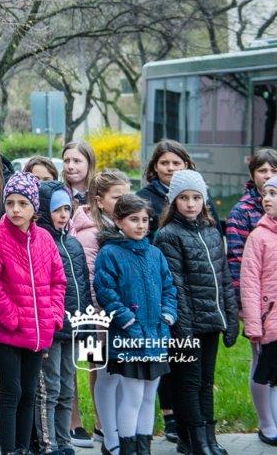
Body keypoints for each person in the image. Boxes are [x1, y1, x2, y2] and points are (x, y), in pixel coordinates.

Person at [0, 171, 66, 455]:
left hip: (38, 329)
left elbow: (58, 281)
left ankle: (24, 447)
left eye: (23, 204)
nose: (16, 209)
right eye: (11, 203)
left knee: (29, 393)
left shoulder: (43, 239)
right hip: (8, 330)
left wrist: (52, 316)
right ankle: (10, 449)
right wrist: (12, 318)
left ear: (34, 208)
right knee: (12, 391)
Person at [153, 169, 239, 455]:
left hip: (211, 321)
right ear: (173, 201)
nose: (191, 204)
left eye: (196, 197)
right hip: (186, 325)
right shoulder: (168, 236)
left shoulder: (212, 232)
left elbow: (224, 278)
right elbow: (176, 286)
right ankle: (195, 440)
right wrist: (184, 329)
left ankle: (208, 438)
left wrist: (229, 318)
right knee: (188, 382)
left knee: (206, 381)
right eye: (184, 198)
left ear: (204, 199)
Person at [92, 195, 177, 455]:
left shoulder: (155, 253)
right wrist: (127, 319)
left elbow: (169, 287)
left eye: (145, 220)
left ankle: (144, 448)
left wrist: (167, 316)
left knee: (150, 397)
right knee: (132, 396)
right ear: (118, 221)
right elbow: (105, 290)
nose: (141, 226)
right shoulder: (110, 253)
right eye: (133, 220)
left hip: (156, 337)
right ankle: (126, 447)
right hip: (128, 338)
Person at [72, 169, 132, 455]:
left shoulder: (121, 227)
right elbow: (90, 281)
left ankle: (112, 428)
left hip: (118, 318)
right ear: (99, 200)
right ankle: (108, 431)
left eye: (126, 195)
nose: (124, 201)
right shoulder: (90, 233)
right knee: (100, 372)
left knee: (117, 375)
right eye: (117, 196)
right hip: (94, 318)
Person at [36, 181, 93, 455]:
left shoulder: (74, 244)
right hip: (52, 329)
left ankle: (64, 440)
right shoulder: (40, 241)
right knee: (51, 388)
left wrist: (87, 324)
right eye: (56, 209)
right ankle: (49, 444)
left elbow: (83, 287)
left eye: (67, 209)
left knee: (68, 386)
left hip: (74, 328)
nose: (62, 215)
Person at [228, 149, 277, 443]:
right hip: (262, 313)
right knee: (262, 368)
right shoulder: (249, 222)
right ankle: (266, 422)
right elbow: (242, 270)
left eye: (273, 171)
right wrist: (248, 314)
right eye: (262, 171)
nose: (267, 177)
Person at [60, 141, 97, 450]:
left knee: (94, 361)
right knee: (69, 363)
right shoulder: (59, 197)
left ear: (89, 163)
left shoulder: (100, 198)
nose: (71, 166)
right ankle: (74, 421)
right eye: (67, 160)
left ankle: (102, 419)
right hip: (68, 295)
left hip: (96, 293)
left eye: (77, 160)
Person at [240, 176, 277, 447]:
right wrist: (254, 323)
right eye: (266, 193)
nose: (267, 198)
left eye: (274, 194)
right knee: (264, 374)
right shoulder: (259, 236)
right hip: (270, 320)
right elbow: (250, 282)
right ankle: (266, 422)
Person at [62, 142, 97, 208]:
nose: (70, 166)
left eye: (76, 161)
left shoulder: (100, 194)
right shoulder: (58, 194)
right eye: (66, 161)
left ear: (89, 164)